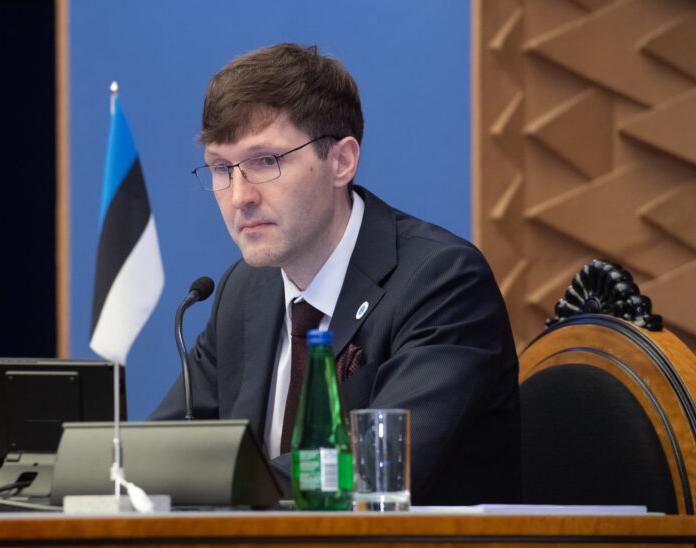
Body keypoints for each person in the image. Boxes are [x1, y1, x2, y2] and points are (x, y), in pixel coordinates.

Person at [150, 43, 520, 505]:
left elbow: (372, 475)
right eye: (222, 168)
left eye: (266, 161)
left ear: (341, 161)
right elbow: (159, 454)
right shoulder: (242, 291)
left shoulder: (442, 283)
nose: (238, 195)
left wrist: (208, 481)